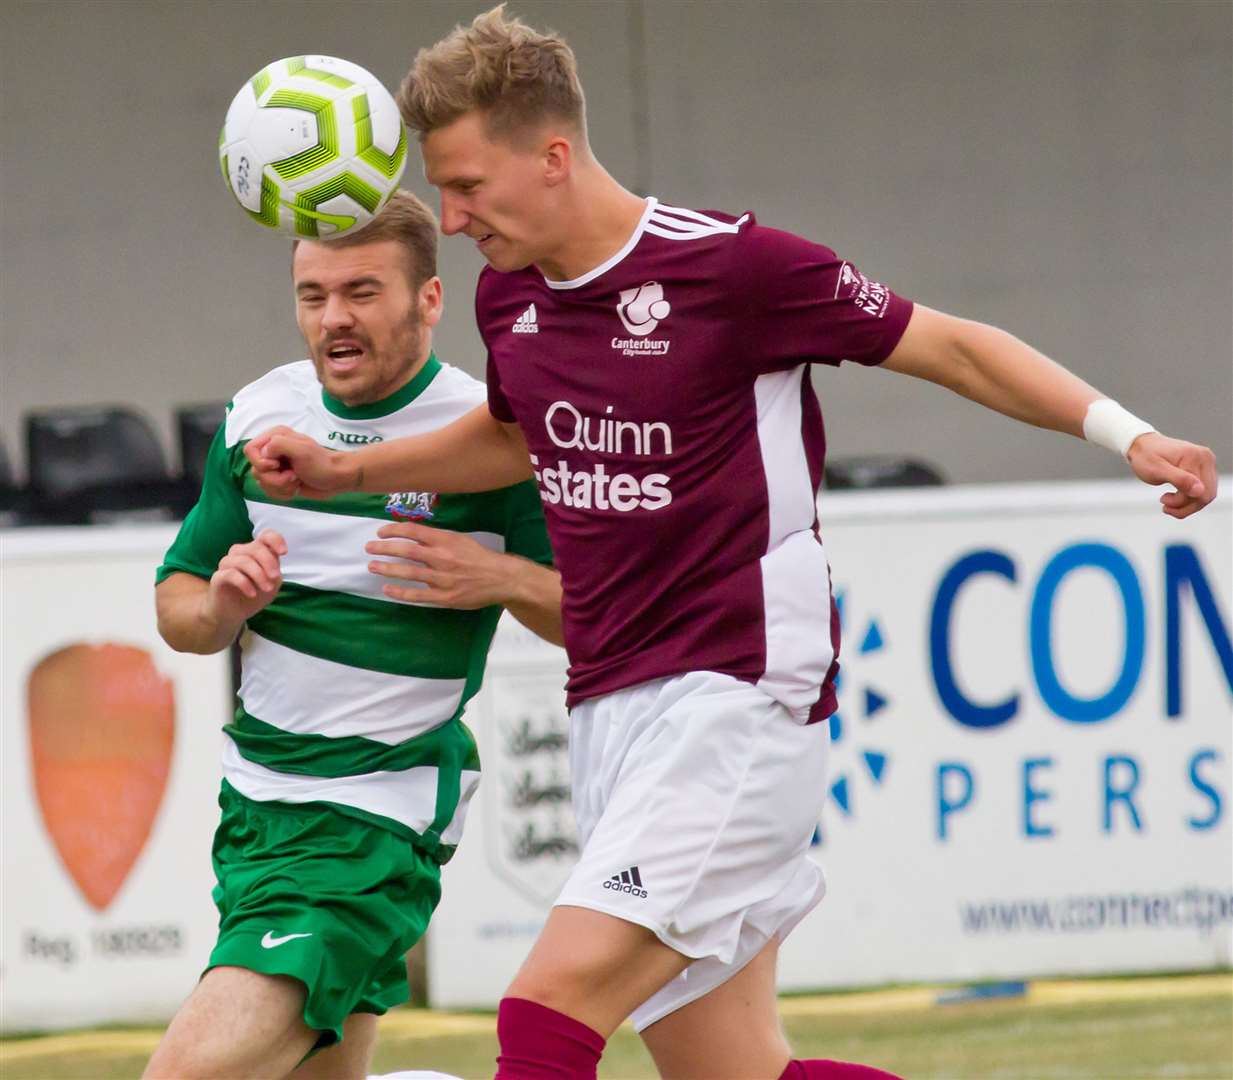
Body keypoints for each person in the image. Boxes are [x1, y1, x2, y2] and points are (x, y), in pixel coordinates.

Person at [245, 8, 1220, 1079]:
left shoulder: (736, 270)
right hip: (609, 703)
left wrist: (1128, 435)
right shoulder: (511, 293)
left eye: (469, 185)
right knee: (731, 1071)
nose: (453, 213)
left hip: (738, 695)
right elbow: (517, 436)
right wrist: (349, 473)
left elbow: (952, 346)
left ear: (554, 156)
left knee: (544, 1010)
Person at [144, 189, 561, 1080]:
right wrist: (223, 604)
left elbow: (597, 615)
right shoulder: (261, 414)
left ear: (430, 300)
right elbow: (176, 602)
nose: (332, 318)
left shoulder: (488, 437)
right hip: (256, 811)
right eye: (312, 294)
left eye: (362, 292)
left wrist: (497, 577)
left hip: (372, 820)